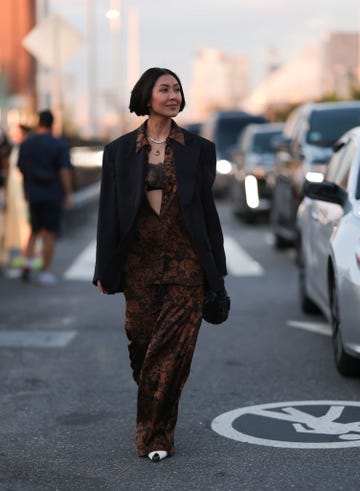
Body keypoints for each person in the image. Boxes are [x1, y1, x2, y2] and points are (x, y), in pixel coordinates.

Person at [93, 67, 227, 462]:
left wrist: (216, 268)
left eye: (178, 89)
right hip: (140, 265)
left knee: (173, 351)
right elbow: (109, 214)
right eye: (164, 89)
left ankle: (155, 437)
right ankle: (155, 407)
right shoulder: (118, 151)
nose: (173, 95)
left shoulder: (199, 149)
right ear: (146, 96)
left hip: (187, 264)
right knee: (143, 346)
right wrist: (104, 266)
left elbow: (206, 210)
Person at [17, 110, 73, 285]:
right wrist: (68, 194)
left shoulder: (27, 144)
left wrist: (29, 186)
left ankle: (26, 263)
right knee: (50, 233)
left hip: (33, 194)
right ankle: (43, 272)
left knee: (34, 230)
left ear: (38, 123)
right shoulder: (59, 144)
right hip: (52, 194)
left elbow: (21, 167)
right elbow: (64, 171)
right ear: (52, 124)